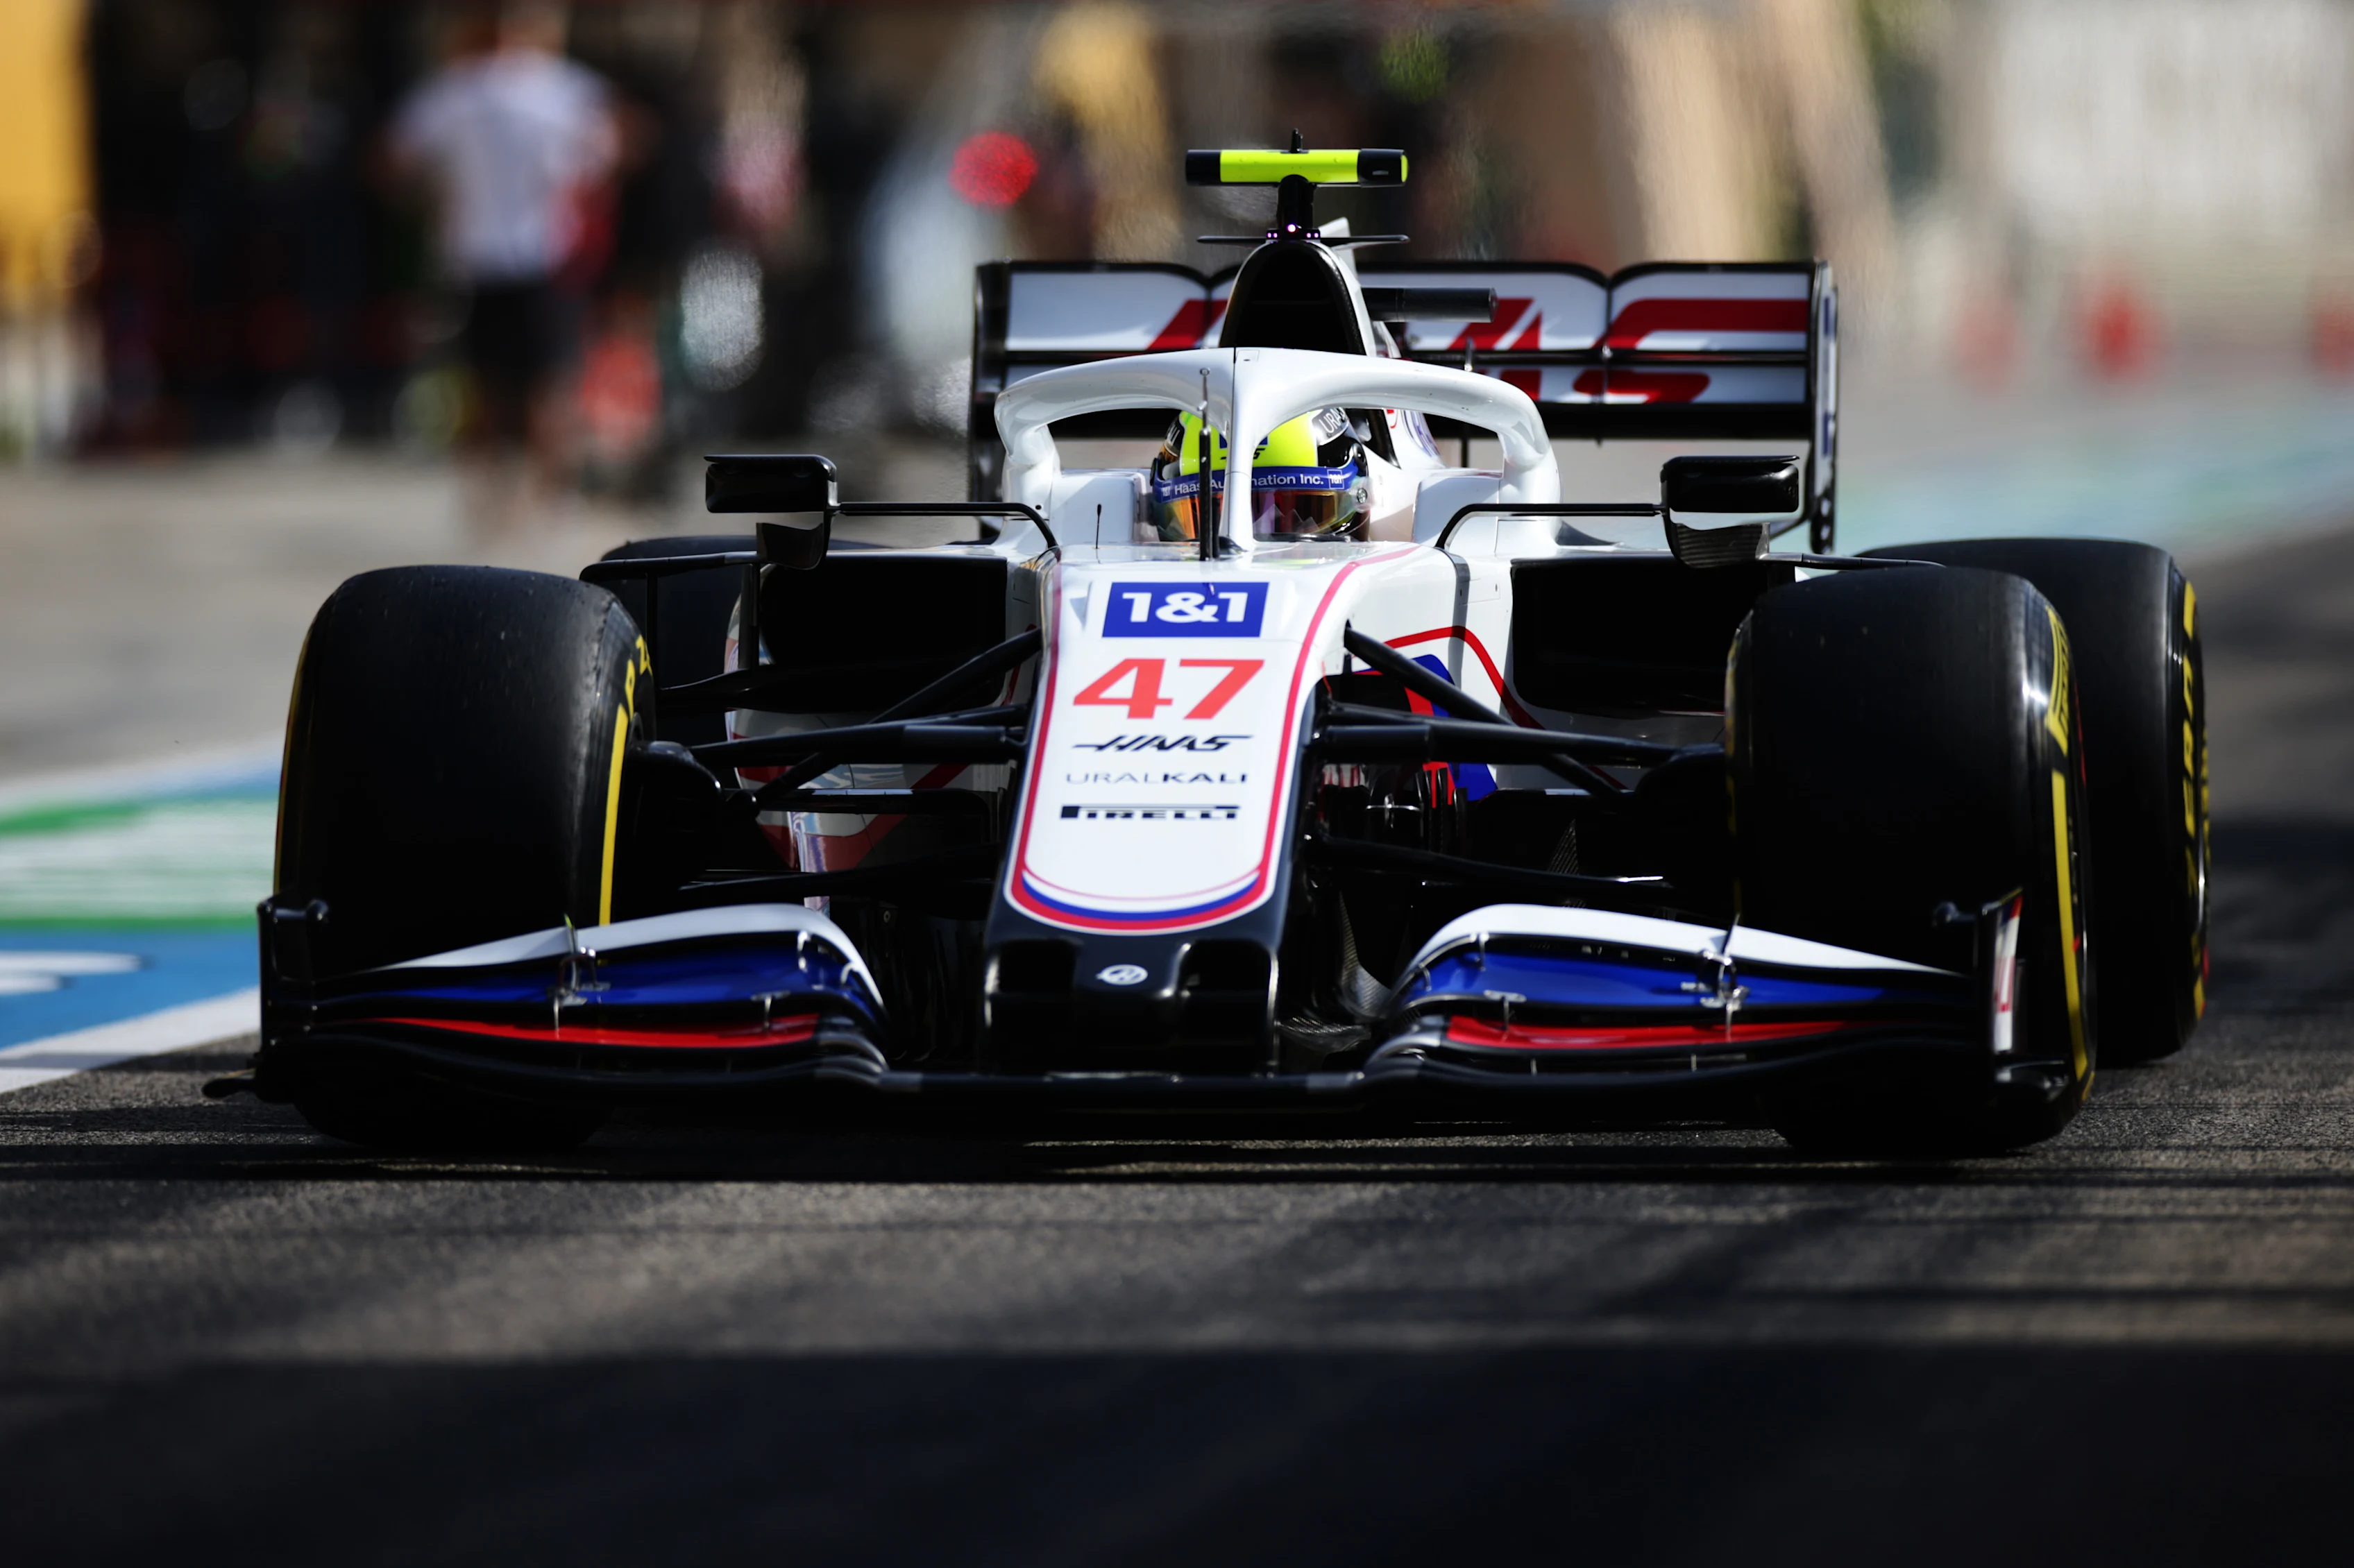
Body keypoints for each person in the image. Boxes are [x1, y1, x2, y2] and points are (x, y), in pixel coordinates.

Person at [386, 5, 618, 521]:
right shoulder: (565, 90)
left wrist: (437, 199)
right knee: (550, 384)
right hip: (541, 254)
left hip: (474, 256)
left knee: (484, 385)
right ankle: (550, 498)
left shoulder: (453, 91)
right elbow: (602, 159)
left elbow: (397, 159)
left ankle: (487, 499)